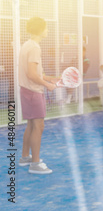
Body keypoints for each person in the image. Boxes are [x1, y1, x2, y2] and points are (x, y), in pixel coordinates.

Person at [18, 17, 58, 174]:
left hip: (27, 91)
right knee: (39, 126)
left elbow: (37, 73)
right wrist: (47, 85)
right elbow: (32, 75)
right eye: (46, 27)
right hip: (34, 92)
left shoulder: (27, 45)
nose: (47, 30)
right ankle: (35, 164)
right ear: (40, 30)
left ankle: (25, 157)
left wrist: (51, 78)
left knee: (31, 125)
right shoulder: (35, 47)